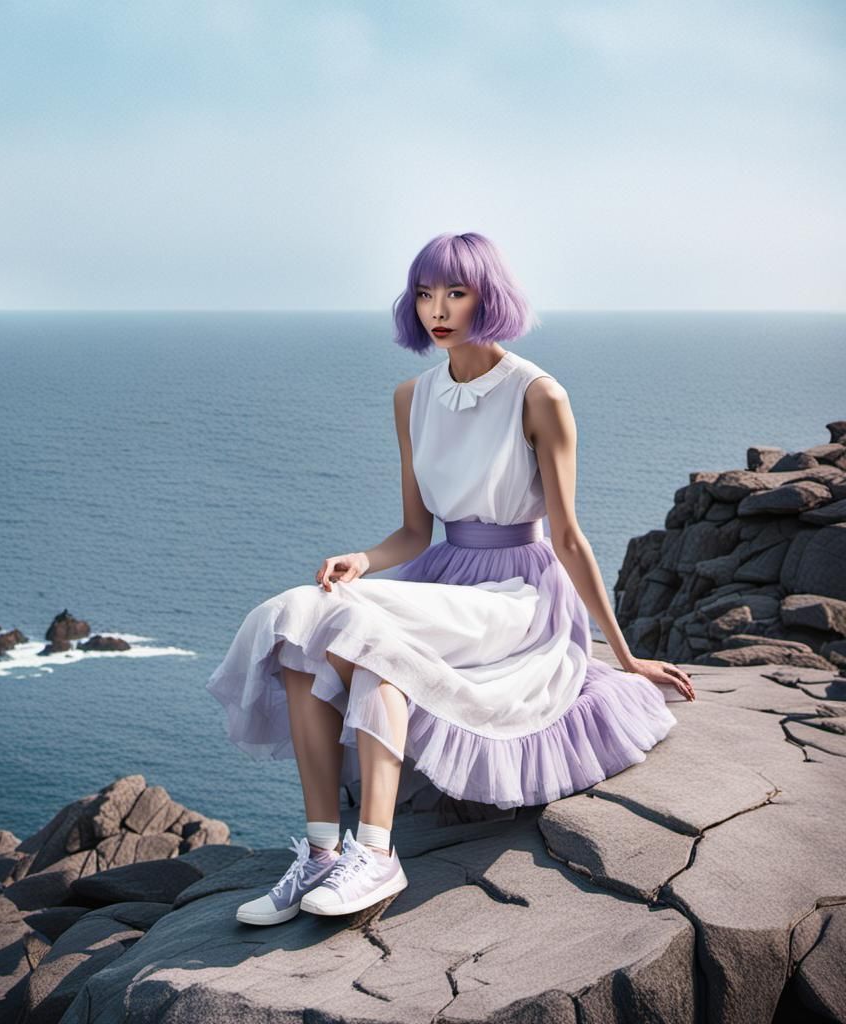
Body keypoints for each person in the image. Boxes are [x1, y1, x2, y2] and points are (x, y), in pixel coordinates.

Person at [206, 231, 694, 927]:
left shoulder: (539, 394)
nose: (438, 309)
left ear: (488, 297)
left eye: (456, 293)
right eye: (426, 294)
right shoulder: (413, 396)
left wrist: (623, 655)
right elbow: (414, 532)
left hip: (522, 593)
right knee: (298, 620)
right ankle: (320, 853)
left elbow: (567, 537)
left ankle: (375, 855)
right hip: (447, 578)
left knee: (371, 640)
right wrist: (363, 561)